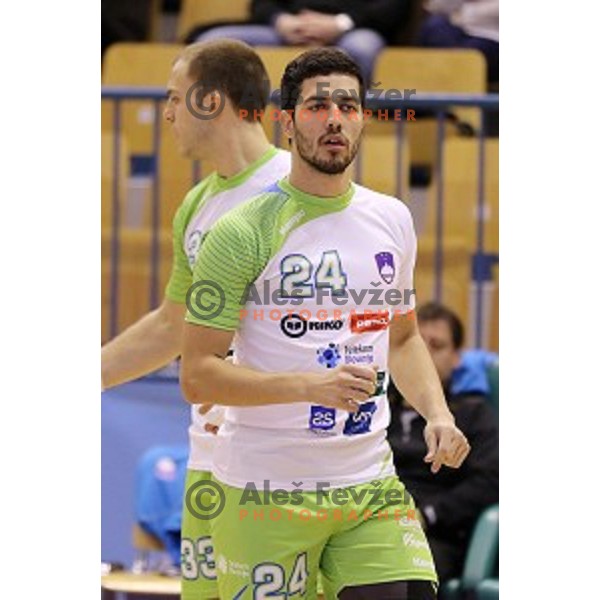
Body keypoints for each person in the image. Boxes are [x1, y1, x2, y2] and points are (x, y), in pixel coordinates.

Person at [180, 47, 470, 600]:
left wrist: (437, 413)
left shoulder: (391, 218)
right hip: (266, 489)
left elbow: (402, 337)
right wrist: (311, 388)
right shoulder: (241, 233)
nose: (335, 118)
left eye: (348, 105)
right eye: (317, 106)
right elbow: (198, 376)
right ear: (286, 122)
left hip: (367, 484)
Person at [101, 39, 291, 600]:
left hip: (282, 457)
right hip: (210, 453)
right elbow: (170, 325)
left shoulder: (302, 190)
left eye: (173, 97)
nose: (165, 113)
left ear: (211, 101)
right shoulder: (197, 204)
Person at [387, 302, 499, 582]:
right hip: (370, 520)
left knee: (400, 574)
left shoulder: (473, 414)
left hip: (436, 533)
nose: (422, 356)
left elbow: (490, 481)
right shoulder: (375, 411)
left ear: (456, 358)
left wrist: (428, 515)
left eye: (436, 346)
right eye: (417, 345)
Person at [192, 0, 410, 84]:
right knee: (210, 42)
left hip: (354, 28)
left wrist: (341, 23)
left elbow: (393, 7)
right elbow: (260, 3)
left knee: (360, 49)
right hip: (287, 28)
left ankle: (348, 120)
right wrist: (281, 20)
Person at [418, 0, 499, 84]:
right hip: (457, 32)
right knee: (433, 25)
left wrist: (460, 14)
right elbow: (434, 6)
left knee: (470, 51)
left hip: (490, 37)